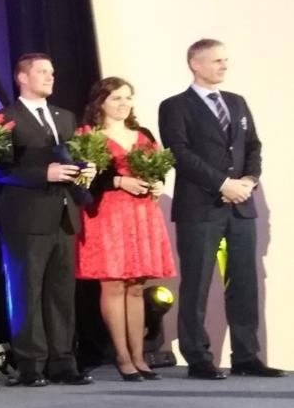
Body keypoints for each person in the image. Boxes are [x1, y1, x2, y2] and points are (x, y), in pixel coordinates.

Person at [158, 39, 276, 378]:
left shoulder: (236, 102)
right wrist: (223, 184)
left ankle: (247, 356)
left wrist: (249, 180)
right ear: (195, 64)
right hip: (200, 206)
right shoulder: (175, 106)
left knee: (244, 282)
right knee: (197, 282)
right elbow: (179, 153)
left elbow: (252, 145)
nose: (224, 66)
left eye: (225, 60)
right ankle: (198, 357)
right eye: (216, 61)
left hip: (240, 206)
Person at [0, 53, 94, 387]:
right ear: (22, 77)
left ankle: (64, 362)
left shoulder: (65, 117)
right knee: (27, 293)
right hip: (26, 217)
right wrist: (41, 174)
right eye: (42, 72)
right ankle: (31, 364)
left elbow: (74, 159)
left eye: (52, 72)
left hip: (65, 215)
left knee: (61, 293)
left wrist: (86, 169)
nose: (50, 77)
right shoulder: (5, 117)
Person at [75, 78, 176, 381]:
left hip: (141, 214)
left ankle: (139, 355)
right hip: (108, 214)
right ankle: (121, 356)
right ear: (101, 102)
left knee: (135, 286)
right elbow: (84, 181)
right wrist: (119, 181)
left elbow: (157, 168)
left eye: (128, 98)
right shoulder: (89, 136)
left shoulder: (143, 134)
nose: (124, 104)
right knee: (114, 285)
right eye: (117, 98)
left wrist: (157, 183)